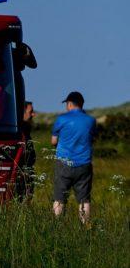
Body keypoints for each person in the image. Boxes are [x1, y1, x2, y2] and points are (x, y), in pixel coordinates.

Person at [51, 91, 96, 224]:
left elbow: (53, 141)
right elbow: (92, 138)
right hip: (84, 163)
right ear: (82, 105)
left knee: (59, 197)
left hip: (64, 163)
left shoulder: (61, 119)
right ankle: (85, 226)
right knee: (84, 199)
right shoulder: (91, 120)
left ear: (70, 104)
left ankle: (58, 226)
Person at [16, 101, 37, 201]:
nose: (33, 114)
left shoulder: (26, 129)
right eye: (31, 111)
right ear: (22, 112)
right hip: (22, 172)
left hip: (27, 171)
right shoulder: (19, 131)